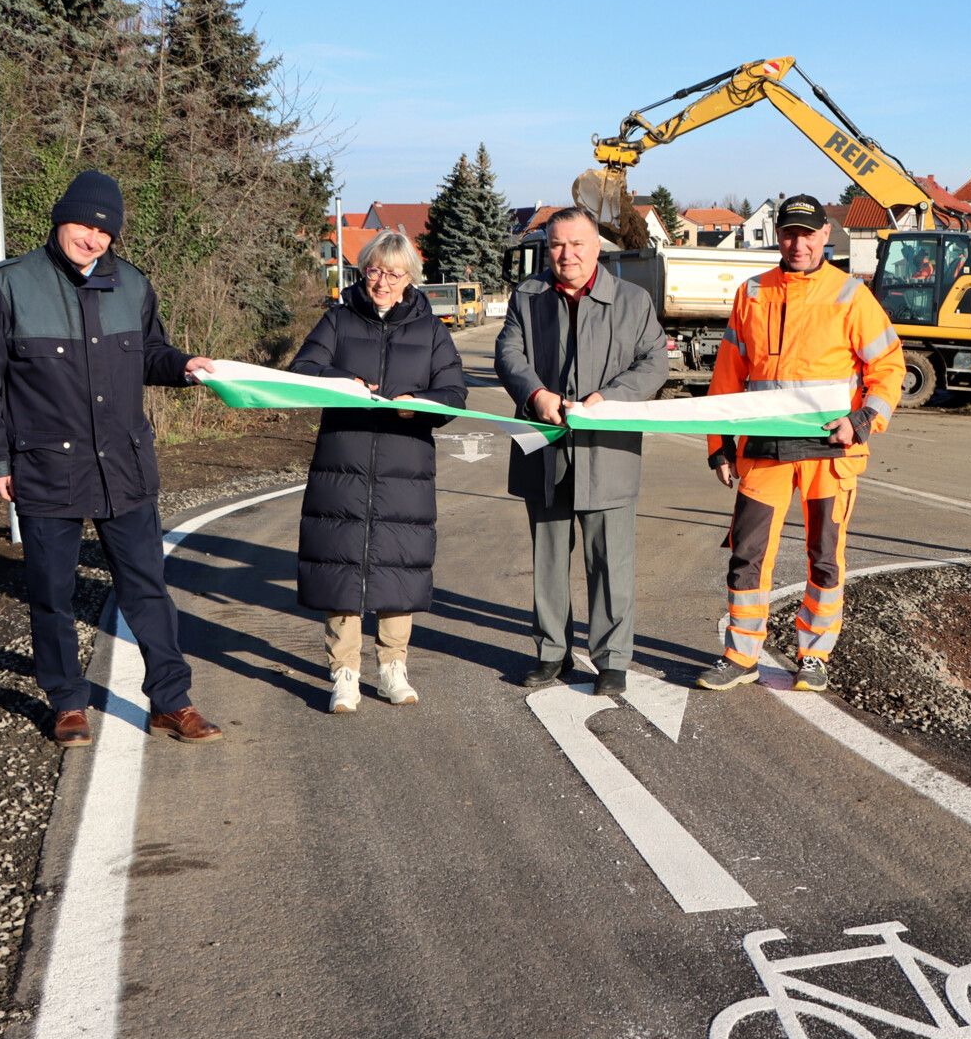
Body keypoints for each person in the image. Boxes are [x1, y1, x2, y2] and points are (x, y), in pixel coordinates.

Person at [0, 169, 222, 747]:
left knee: (147, 586)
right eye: (85, 224)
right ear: (60, 220)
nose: (94, 238)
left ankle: (171, 701)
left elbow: (150, 353)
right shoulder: (8, 287)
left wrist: (182, 365)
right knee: (51, 591)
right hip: (46, 467)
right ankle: (67, 703)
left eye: (105, 231)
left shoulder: (132, 284)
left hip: (124, 466)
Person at [695, 193, 903, 693]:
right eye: (789, 233)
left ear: (824, 236)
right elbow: (727, 378)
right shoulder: (752, 293)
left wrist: (862, 421)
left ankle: (813, 656)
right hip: (764, 452)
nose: (798, 243)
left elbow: (889, 368)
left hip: (831, 454)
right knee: (747, 555)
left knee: (825, 557)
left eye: (808, 233)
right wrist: (719, 446)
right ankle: (742, 656)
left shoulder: (850, 295)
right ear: (779, 236)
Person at [493, 207, 669, 696]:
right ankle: (552, 653)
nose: (565, 255)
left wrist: (610, 399)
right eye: (556, 245)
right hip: (543, 446)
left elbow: (655, 362)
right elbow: (509, 353)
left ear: (597, 248)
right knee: (548, 559)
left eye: (576, 245)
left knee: (611, 561)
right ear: (546, 248)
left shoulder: (633, 301)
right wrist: (535, 394)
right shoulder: (527, 297)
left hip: (607, 450)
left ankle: (612, 658)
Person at [290, 231, 467, 713]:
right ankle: (344, 673)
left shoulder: (431, 330)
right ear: (362, 270)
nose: (381, 282)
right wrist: (342, 383)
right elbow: (302, 368)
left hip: (404, 465)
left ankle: (393, 668)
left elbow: (454, 394)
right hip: (341, 464)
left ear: (409, 277)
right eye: (373, 270)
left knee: (398, 567)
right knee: (341, 568)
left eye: (392, 273)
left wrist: (420, 407)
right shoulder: (338, 318)